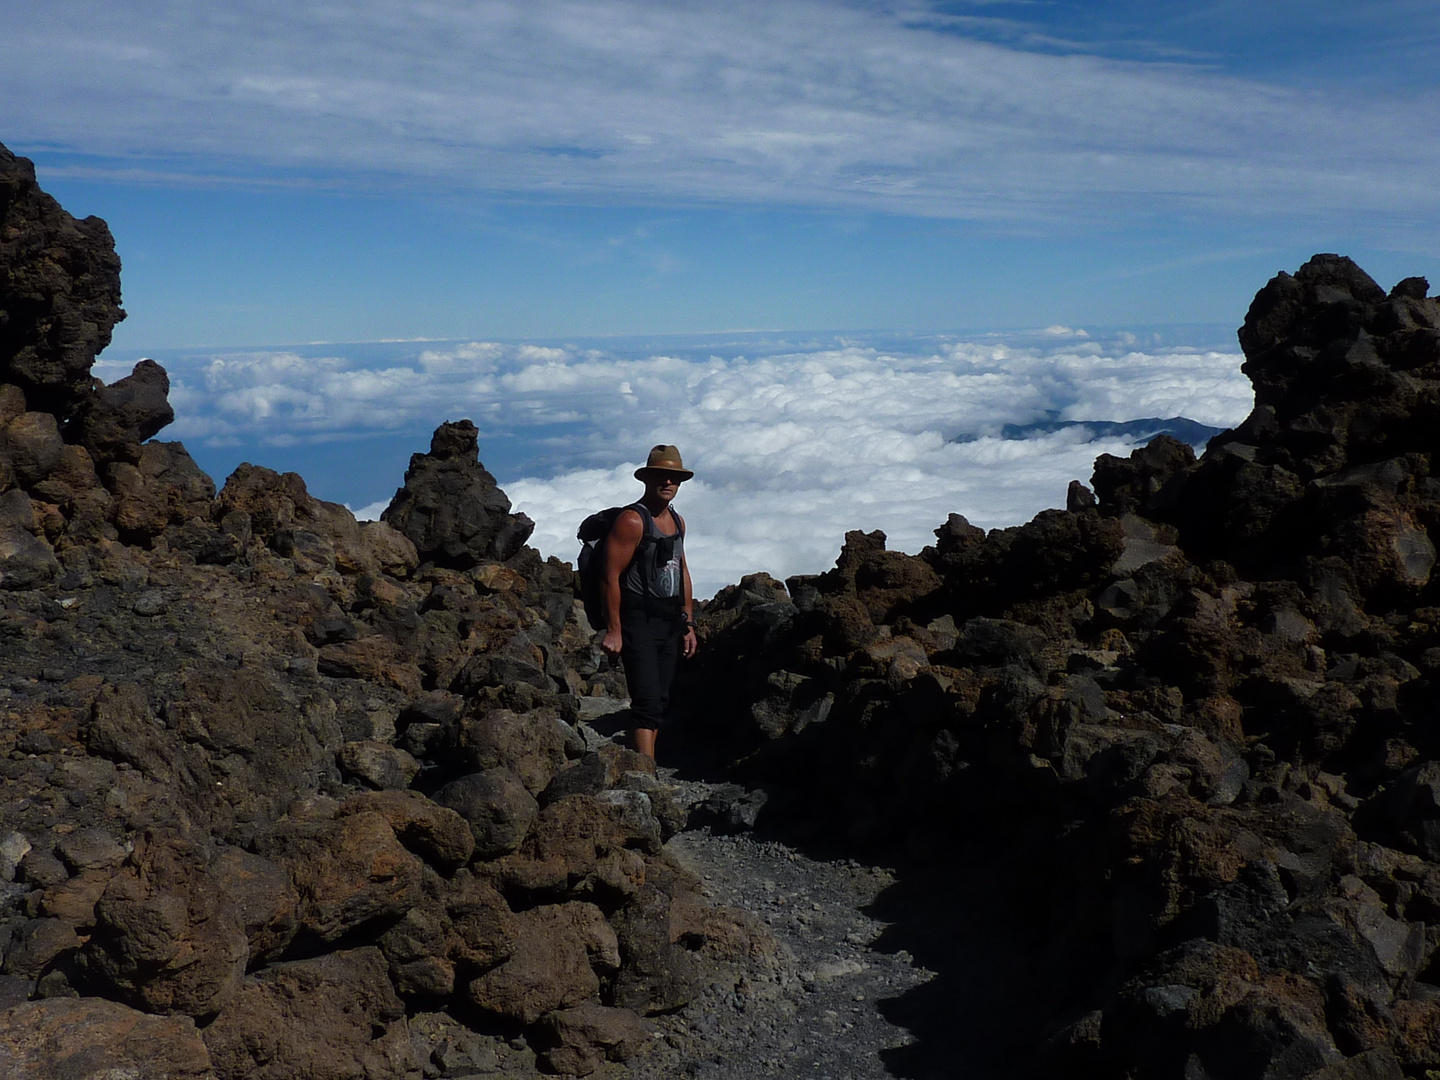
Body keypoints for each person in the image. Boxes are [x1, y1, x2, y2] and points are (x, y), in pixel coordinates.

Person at [599, 444, 698, 759]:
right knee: (647, 700)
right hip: (637, 620)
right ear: (647, 479)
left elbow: (681, 569)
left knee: (662, 699)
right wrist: (614, 630)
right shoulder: (632, 521)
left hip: (669, 622)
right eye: (662, 476)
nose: (668, 482)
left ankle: (641, 761)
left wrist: (688, 621)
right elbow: (609, 576)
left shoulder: (677, 521)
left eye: (675, 478)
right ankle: (646, 774)